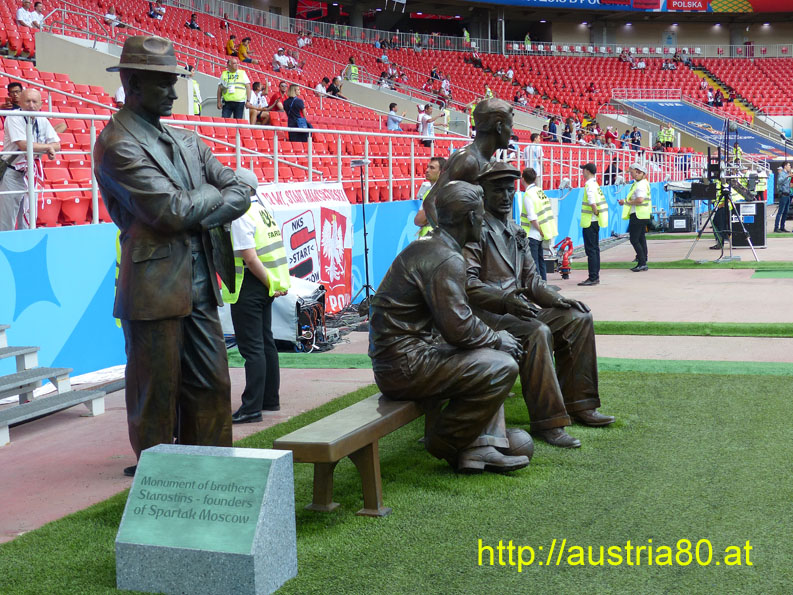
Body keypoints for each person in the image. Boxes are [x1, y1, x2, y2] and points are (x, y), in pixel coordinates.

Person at [94, 36, 250, 476]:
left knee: (213, 388)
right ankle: (162, 486)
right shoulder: (116, 143)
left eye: (174, 81)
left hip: (201, 286)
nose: (174, 92)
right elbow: (169, 211)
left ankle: (214, 477)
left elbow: (241, 189)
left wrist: (198, 202)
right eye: (163, 83)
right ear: (133, 84)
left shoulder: (187, 140)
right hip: (154, 290)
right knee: (155, 398)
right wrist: (210, 194)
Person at [369, 181, 529, 473]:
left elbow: (456, 324)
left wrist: (491, 339)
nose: (484, 221)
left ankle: (479, 449)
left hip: (403, 359)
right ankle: (446, 441)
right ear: (471, 218)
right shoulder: (445, 258)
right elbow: (459, 328)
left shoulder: (434, 246)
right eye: (481, 215)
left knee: (491, 356)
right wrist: (497, 338)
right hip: (403, 367)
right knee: (501, 365)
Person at [465, 162, 614, 448]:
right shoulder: (474, 231)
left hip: (518, 309)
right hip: (487, 315)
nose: (506, 196)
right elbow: (467, 284)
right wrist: (505, 300)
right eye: (498, 190)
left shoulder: (515, 231)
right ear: (483, 192)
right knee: (536, 332)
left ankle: (580, 403)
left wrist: (559, 300)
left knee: (578, 317)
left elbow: (532, 281)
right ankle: (549, 420)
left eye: (510, 189)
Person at [223, 169, 290, 423]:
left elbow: (250, 259)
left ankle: (251, 408)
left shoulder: (241, 213)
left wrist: (269, 283)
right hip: (265, 285)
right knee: (265, 342)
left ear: (242, 188)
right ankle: (269, 399)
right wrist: (272, 285)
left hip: (250, 286)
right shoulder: (262, 210)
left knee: (252, 348)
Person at [423, 98, 514, 227]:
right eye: (510, 127)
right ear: (499, 127)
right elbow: (431, 201)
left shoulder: (491, 161)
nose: (512, 133)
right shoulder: (467, 160)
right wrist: (447, 237)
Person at [0, 89, 60, 232]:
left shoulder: (42, 120)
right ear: (20, 102)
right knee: (7, 220)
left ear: (41, 104)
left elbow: (57, 144)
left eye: (34, 102)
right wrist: (47, 147)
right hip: (12, 173)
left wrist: (49, 147)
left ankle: (25, 244)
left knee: (29, 216)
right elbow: (23, 145)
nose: (31, 105)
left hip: (31, 174)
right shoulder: (14, 117)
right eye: (27, 101)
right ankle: (4, 245)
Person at [520, 167, 556, 281]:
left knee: (534, 263)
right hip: (542, 231)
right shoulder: (539, 191)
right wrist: (542, 231)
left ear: (523, 179)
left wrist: (540, 230)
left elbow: (532, 218)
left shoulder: (528, 195)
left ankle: (538, 286)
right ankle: (543, 283)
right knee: (541, 261)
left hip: (532, 233)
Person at [579, 163, 608, 286]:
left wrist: (595, 212)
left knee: (591, 250)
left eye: (583, 170)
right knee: (595, 249)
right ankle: (595, 275)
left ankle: (593, 277)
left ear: (587, 171)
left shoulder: (589, 185)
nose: (582, 172)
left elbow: (592, 201)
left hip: (590, 221)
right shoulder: (595, 184)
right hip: (595, 221)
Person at [619, 162, 651, 272]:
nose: (631, 175)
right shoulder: (643, 183)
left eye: (632, 173)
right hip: (643, 214)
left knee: (634, 239)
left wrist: (626, 202)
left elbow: (640, 200)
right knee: (641, 238)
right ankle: (643, 259)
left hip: (638, 214)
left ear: (638, 172)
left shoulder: (640, 184)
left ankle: (642, 262)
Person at [414, 157, 446, 237]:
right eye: (427, 167)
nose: (427, 170)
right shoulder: (429, 191)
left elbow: (419, 220)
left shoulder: (438, 192)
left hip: (433, 237)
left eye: (432, 168)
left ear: (441, 172)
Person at [774, 162, 791, 233]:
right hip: (783, 194)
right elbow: (779, 181)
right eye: (789, 165)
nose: (790, 167)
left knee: (786, 212)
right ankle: (776, 227)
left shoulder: (787, 174)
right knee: (780, 212)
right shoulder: (782, 174)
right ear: (785, 166)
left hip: (788, 194)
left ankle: (782, 227)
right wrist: (787, 176)